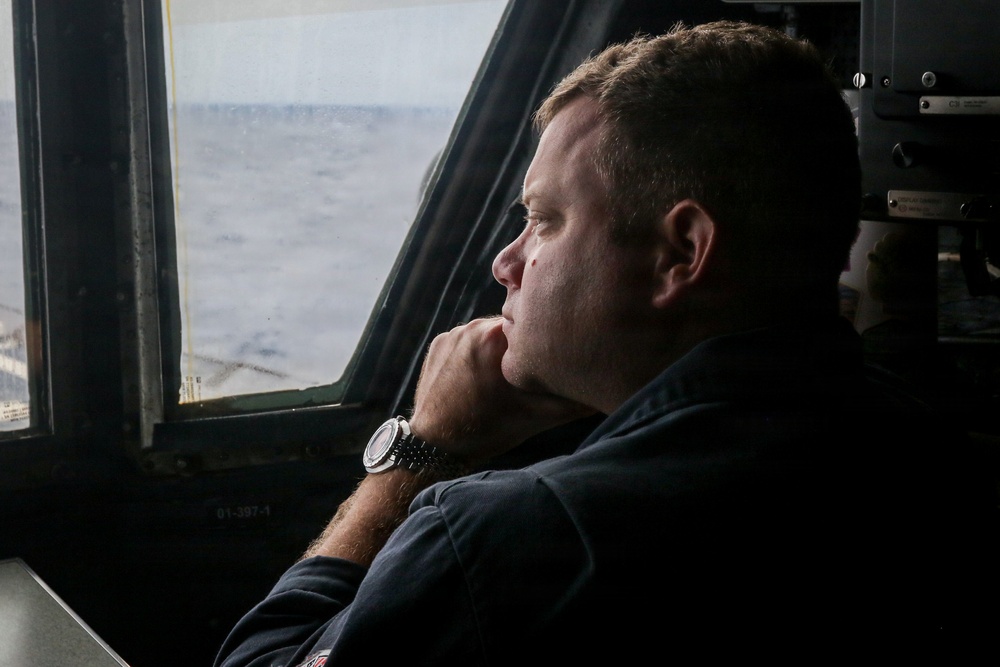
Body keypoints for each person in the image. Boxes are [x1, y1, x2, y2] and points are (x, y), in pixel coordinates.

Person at [215, 22, 997, 665]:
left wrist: (426, 450)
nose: (506, 261)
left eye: (545, 219)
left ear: (681, 252)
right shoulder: (932, 453)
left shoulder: (509, 537)